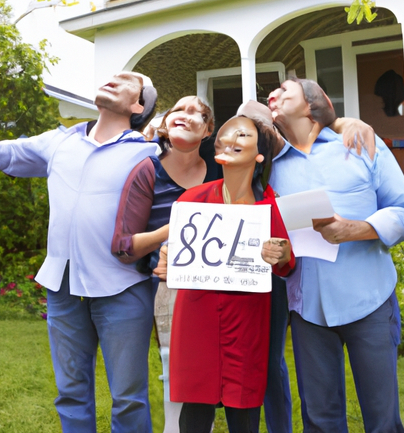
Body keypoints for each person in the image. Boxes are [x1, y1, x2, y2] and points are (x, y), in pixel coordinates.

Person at [0, 71, 159, 433]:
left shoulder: (149, 152)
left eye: (127, 81)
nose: (115, 78)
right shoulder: (58, 142)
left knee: (129, 396)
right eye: (113, 76)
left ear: (138, 105)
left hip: (124, 287)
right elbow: (6, 152)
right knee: (70, 392)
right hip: (62, 285)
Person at [266, 78, 404, 433]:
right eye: (270, 95)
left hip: (370, 300)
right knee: (319, 420)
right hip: (307, 308)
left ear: (311, 104)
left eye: (284, 91)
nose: (273, 96)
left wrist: (357, 228)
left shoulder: (361, 143)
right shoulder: (270, 163)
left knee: (382, 420)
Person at [238, 98, 376, 433]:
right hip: (250, 273)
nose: (250, 135)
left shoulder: (287, 158)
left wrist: (345, 122)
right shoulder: (233, 165)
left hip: (293, 277)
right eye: (242, 130)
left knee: (273, 362)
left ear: (274, 127)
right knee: (262, 364)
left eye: (258, 128)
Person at [153, 115, 295, 433]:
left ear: (259, 154)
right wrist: (166, 256)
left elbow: (286, 263)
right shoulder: (191, 200)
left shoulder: (269, 205)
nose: (230, 138)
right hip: (197, 320)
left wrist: (282, 253)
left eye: (242, 134)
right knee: (194, 410)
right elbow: (175, 253)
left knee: (243, 411)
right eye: (225, 134)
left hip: (245, 321)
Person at [111, 95, 217, 433]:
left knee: (213, 374)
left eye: (195, 112)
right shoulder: (148, 170)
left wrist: (344, 123)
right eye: (177, 110)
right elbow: (124, 246)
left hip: (220, 288)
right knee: (177, 371)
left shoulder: (220, 167)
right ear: (165, 124)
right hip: (168, 291)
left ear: (208, 130)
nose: (185, 115)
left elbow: (261, 129)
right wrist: (171, 231)